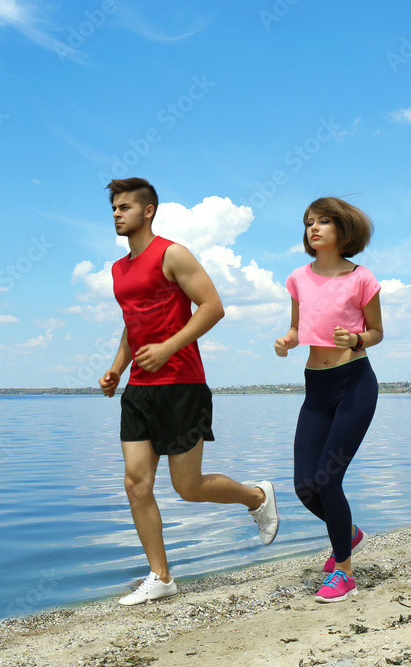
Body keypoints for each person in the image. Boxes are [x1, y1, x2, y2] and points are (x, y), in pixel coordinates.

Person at [99, 177, 280, 606]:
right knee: (135, 484)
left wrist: (167, 348)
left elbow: (213, 306)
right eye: (113, 209)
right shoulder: (118, 270)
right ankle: (161, 576)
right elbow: (133, 322)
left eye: (124, 207)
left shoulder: (172, 253)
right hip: (140, 390)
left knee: (188, 487)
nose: (116, 214)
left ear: (148, 211)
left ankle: (257, 496)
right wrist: (116, 368)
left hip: (182, 384)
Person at [274, 196, 383, 603]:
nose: (313, 228)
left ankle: (344, 573)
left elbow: (376, 332)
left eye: (322, 222)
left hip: (354, 384)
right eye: (308, 223)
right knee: (305, 486)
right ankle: (349, 535)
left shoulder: (361, 279)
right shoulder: (298, 278)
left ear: (343, 229)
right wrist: (288, 340)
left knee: (328, 478)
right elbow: (297, 327)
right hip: (315, 389)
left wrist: (356, 338)